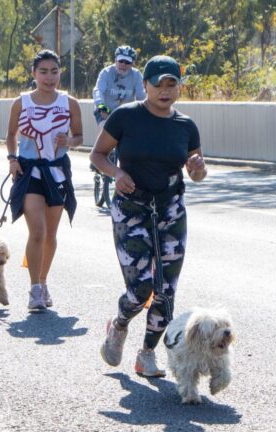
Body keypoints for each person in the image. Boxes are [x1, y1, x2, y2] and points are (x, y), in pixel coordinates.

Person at [91, 55, 207, 377]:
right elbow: (97, 155)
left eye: (172, 84)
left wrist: (199, 170)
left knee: (166, 289)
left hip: (170, 210)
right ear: (145, 86)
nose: (165, 91)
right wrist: (116, 173)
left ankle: (147, 353)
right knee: (141, 288)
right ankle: (120, 323)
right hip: (131, 208)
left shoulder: (186, 126)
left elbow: (196, 170)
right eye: (159, 84)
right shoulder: (126, 117)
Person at [6, 50, 83, 310]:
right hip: (29, 173)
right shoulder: (22, 102)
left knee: (51, 233)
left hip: (57, 172)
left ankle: (43, 279)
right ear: (34, 74)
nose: (49, 77)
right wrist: (12, 159)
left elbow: (80, 137)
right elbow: (10, 135)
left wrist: (69, 141)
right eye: (43, 72)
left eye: (54, 72)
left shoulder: (69, 103)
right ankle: (35, 290)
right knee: (37, 230)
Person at [92, 45, 146, 126]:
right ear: (115, 60)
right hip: (105, 111)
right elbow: (98, 91)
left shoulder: (137, 75)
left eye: (127, 62)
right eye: (121, 61)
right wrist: (102, 107)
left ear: (132, 64)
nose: (123, 64)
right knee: (107, 130)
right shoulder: (106, 73)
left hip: (127, 113)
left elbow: (142, 96)